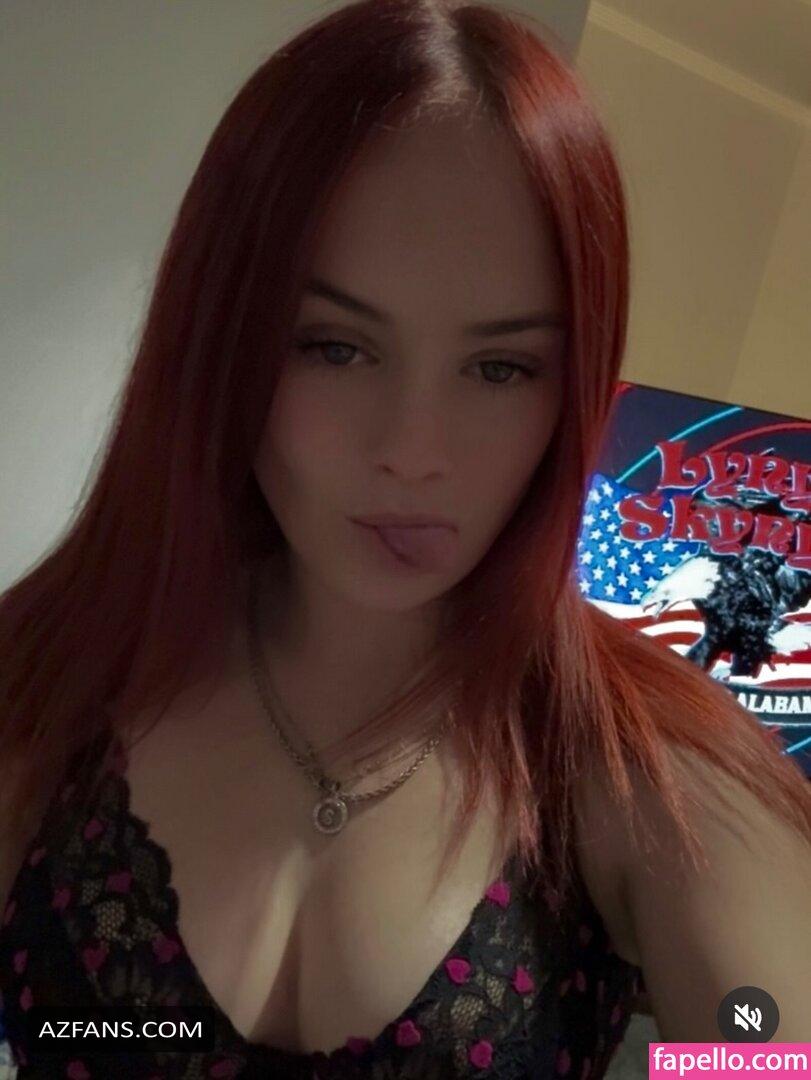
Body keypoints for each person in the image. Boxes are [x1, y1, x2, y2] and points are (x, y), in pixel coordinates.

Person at [1, 1, 809, 1077]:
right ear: (223, 339)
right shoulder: (47, 683)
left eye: (500, 368)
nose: (413, 452)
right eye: (332, 347)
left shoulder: (647, 771)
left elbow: (765, 1044)